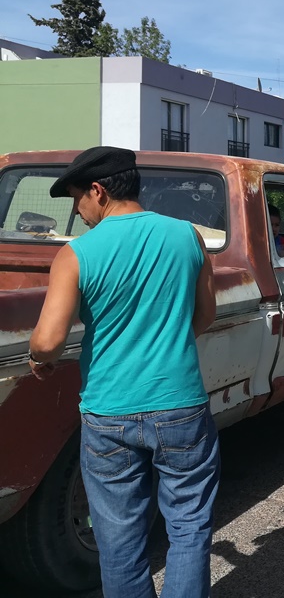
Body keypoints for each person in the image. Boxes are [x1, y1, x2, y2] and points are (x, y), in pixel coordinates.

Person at [28, 146, 219, 598]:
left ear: (98, 191)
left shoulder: (76, 254)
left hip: (108, 413)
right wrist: (168, 341)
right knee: (189, 527)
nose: (78, 211)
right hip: (181, 406)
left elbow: (48, 341)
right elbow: (205, 314)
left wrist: (39, 358)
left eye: (77, 199)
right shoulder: (186, 236)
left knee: (118, 541)